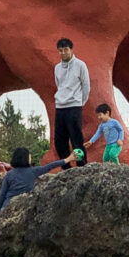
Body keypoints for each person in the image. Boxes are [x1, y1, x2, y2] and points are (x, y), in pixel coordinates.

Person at [0, 148, 76, 212]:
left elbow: (2, 194)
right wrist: (68, 159)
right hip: (22, 208)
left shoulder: (9, 174)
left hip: (7, 208)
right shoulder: (34, 171)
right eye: (29, 157)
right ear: (25, 159)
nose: (31, 158)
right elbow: (50, 166)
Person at [54, 37, 90, 169]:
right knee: (59, 141)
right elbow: (59, 85)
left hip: (74, 106)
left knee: (76, 139)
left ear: (71, 50)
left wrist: (80, 102)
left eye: (66, 50)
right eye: (60, 50)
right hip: (60, 107)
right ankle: (66, 167)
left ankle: (82, 167)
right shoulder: (57, 68)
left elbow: (86, 86)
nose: (63, 53)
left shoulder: (80, 65)